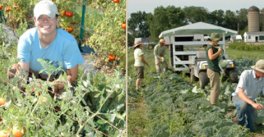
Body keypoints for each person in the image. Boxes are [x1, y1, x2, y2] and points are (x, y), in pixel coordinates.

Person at [7, 0, 84, 91]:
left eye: (49, 16)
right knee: (14, 71)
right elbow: (24, 71)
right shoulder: (26, 39)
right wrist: (29, 87)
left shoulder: (68, 42)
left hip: (58, 80)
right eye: (40, 18)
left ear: (57, 19)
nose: (45, 20)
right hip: (33, 77)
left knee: (64, 95)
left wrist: (51, 87)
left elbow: (72, 76)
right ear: (35, 21)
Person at [232, 59, 264, 132]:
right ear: (257, 70)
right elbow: (240, 92)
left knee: (252, 127)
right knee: (243, 105)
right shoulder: (246, 74)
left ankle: (246, 126)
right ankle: (239, 124)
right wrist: (253, 104)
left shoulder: (263, 78)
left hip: (250, 101)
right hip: (238, 97)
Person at [206, 33, 223, 105]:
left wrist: (219, 52)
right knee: (215, 89)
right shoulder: (210, 48)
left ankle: (213, 103)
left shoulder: (212, 47)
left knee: (215, 88)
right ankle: (213, 105)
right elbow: (211, 57)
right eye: (217, 41)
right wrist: (219, 51)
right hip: (213, 70)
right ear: (213, 40)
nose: (218, 42)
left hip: (213, 69)